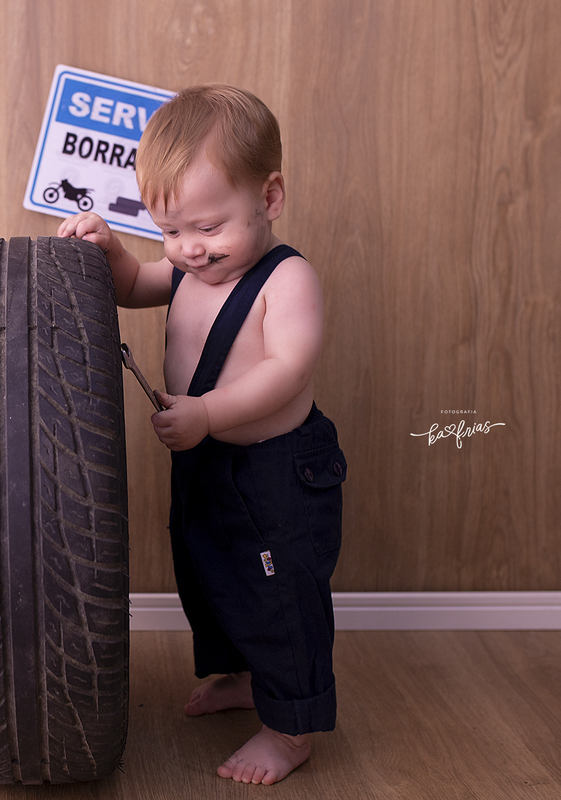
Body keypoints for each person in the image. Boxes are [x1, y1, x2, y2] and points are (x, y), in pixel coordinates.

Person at [58, 84, 346, 786]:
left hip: (275, 475)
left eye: (209, 227)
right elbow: (131, 283)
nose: (190, 250)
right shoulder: (190, 267)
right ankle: (248, 677)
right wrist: (110, 250)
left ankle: (291, 727)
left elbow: (287, 368)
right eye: (171, 231)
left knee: (281, 598)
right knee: (215, 579)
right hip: (209, 465)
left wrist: (209, 413)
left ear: (269, 197)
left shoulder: (288, 279)